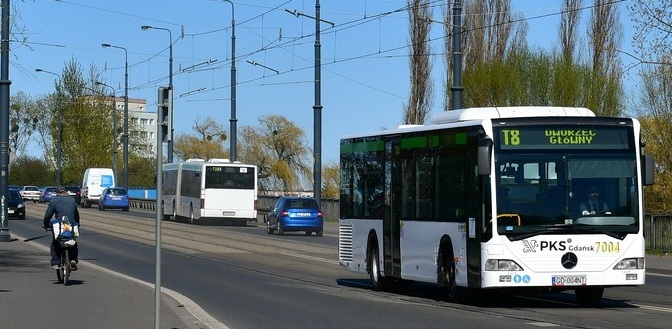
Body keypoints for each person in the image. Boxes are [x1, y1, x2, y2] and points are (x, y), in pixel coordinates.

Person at [43, 186, 80, 270]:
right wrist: (77, 224)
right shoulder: (72, 199)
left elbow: (48, 215)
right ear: (66, 192)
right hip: (71, 225)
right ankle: (73, 259)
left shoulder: (54, 200)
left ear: (57, 193)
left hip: (60, 226)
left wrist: (46, 224)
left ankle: (56, 263)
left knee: (55, 243)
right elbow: (76, 215)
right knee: (72, 241)